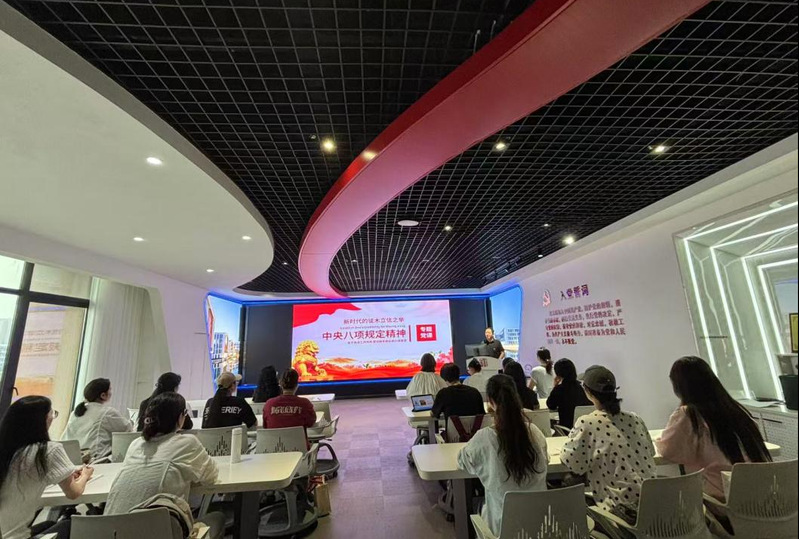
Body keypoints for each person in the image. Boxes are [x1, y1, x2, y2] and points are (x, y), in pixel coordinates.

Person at [106, 392, 225, 539]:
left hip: (112, 532)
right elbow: (211, 477)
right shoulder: (187, 443)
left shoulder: (135, 444)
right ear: (180, 418)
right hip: (158, 531)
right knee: (217, 517)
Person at [656, 356, 771, 500]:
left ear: (679, 386)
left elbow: (669, 450)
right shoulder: (737, 410)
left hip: (722, 500)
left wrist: (659, 440)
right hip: (763, 497)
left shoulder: (689, 415)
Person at [561, 366, 656, 534]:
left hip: (621, 516)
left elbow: (573, 463)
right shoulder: (635, 419)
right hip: (655, 509)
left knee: (568, 487)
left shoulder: (587, 423)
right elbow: (651, 452)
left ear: (588, 392)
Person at [457, 375, 548, 537]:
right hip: (540, 527)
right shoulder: (534, 432)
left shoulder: (484, 438)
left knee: (478, 503)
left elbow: (463, 462)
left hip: (500, 529)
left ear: (490, 402)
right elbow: (545, 460)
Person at [1, 396, 93, 539]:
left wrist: (65, 474)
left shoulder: (7, 450)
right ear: (43, 419)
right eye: (52, 413)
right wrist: (85, 475)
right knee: (69, 524)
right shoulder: (48, 450)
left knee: (49, 523)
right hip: (16, 537)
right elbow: (73, 493)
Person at [62, 378, 133, 461]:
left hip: (72, 459)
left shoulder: (75, 412)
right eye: (110, 390)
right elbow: (127, 429)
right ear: (103, 395)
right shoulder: (107, 412)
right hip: (95, 460)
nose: (111, 393)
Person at [263, 369, 317, 440]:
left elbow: (265, 426)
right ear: (297, 385)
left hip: (274, 446)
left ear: (280, 384)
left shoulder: (269, 404)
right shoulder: (305, 404)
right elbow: (311, 423)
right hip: (299, 446)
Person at [546, 358, 592, 429]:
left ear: (558, 374)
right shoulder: (584, 387)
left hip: (567, 428)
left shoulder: (559, 389)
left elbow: (551, 405)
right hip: (586, 427)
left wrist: (555, 386)